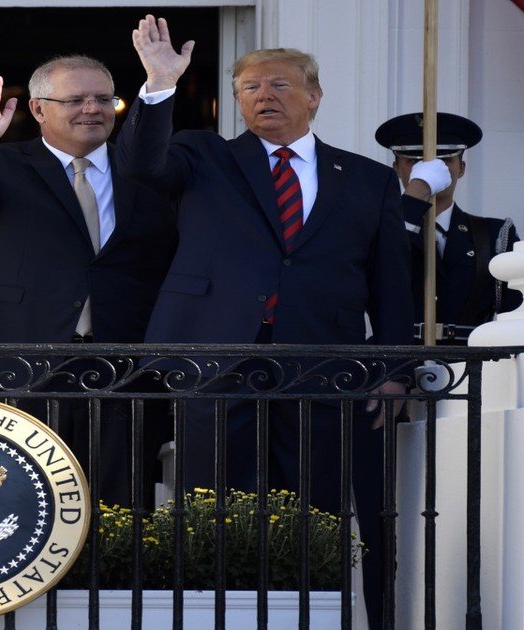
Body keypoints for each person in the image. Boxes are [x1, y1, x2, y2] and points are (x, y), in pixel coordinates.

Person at [122, 15, 452, 628]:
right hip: (214, 358)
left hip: (321, 364)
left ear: (314, 96)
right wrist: (159, 86)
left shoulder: (369, 179)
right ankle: (214, 616)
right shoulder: (202, 156)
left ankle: (314, 615)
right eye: (249, 87)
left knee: (317, 507)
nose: (262, 97)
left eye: (278, 85)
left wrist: (393, 370)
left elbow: (390, 286)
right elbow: (142, 163)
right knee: (213, 504)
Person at [0, 57, 178, 509]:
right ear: (39, 110)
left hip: (122, 360)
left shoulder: (145, 170)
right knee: (10, 502)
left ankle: (111, 581)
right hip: (16, 359)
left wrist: (160, 84)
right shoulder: (2, 163)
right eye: (75, 99)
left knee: (119, 506)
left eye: (103, 99)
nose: (92, 109)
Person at [376, 112, 521, 344]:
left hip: (469, 368)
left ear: (461, 168)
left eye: (444, 160)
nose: (430, 169)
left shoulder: (495, 235)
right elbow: (382, 264)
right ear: (396, 167)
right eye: (415, 160)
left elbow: (514, 315)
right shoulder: (373, 227)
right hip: (395, 368)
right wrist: (415, 196)